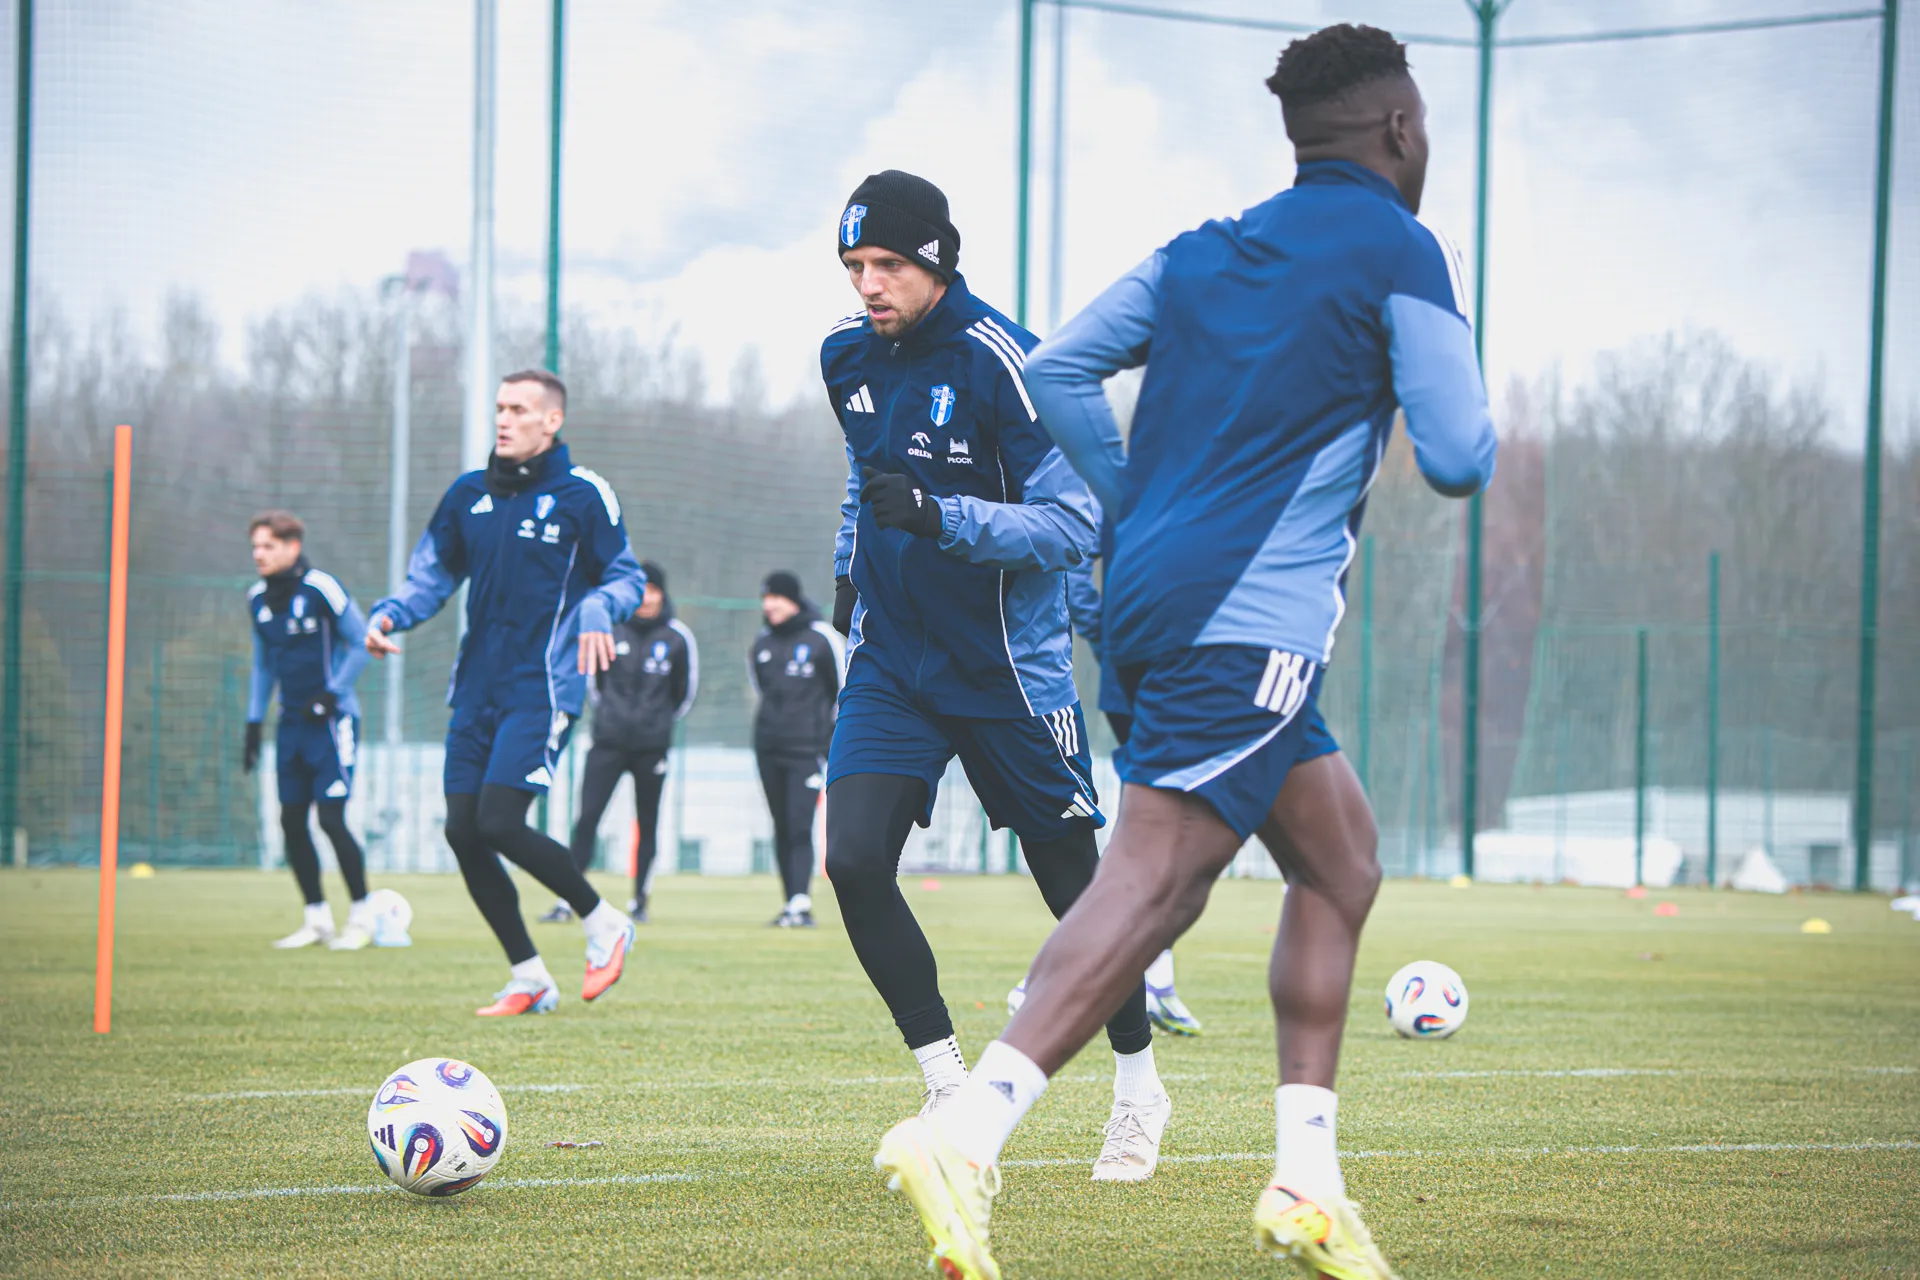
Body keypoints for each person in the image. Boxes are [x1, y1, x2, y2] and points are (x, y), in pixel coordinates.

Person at [873, 26, 1498, 1280]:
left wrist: (1133, 498)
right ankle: (965, 1131)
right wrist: (1441, 335)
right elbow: (1457, 454)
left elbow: (1061, 368)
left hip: (1151, 597)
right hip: (1246, 619)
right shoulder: (1404, 248)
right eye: (1420, 126)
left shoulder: (1202, 249)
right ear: (1400, 130)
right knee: (1158, 877)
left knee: (1342, 861)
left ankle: (1306, 1181)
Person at [822, 170, 1167, 1182]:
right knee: (853, 859)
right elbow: (863, 473)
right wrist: (849, 567)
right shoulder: (845, 353)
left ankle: (1139, 1088)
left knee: (1076, 894)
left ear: (938, 262)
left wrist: (944, 518)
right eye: (854, 266)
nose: (869, 285)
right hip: (893, 661)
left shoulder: (1009, 365)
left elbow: (1075, 524)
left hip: (1007, 670)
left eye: (889, 264)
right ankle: (945, 1089)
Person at [366, 369, 647, 1017]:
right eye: (500, 407)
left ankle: (604, 922)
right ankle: (529, 976)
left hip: (543, 688)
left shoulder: (582, 494)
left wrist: (599, 607)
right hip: (476, 689)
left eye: (519, 409)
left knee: (498, 820)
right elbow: (430, 576)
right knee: (464, 831)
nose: (504, 419)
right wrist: (389, 614)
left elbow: (625, 578)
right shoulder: (468, 494)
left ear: (552, 421)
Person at [1005, 547, 1204, 1037]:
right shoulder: (1128, 495)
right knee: (1164, 829)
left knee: (1174, 831)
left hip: (1195, 671)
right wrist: (1113, 637)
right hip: (1164, 675)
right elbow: (1073, 546)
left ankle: (1150, 975)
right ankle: (1057, 974)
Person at [243, 510, 376, 950]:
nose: (259, 554)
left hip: (332, 723)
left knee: (331, 818)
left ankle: (361, 917)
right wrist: (254, 721)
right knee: (291, 820)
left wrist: (332, 693)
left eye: (268, 546)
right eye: (255, 546)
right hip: (291, 725)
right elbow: (264, 665)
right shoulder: (257, 599)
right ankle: (316, 919)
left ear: (293, 546)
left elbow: (361, 642)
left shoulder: (321, 588)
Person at [540, 560, 698, 925]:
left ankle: (640, 900)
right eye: (641, 590)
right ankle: (567, 900)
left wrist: (655, 724)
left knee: (647, 823)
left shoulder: (678, 637)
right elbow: (595, 684)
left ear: (662, 594)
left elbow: (684, 694)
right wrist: (612, 719)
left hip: (652, 748)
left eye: (653, 590)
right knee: (587, 819)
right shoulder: (610, 628)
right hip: (607, 743)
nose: (646, 598)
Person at [749, 571, 842, 927]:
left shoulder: (821, 638)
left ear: (792, 600)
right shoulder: (762, 643)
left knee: (800, 823)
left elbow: (842, 691)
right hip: (768, 748)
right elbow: (761, 689)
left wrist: (828, 742)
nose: (769, 605)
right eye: (765, 598)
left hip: (807, 751)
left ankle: (801, 903)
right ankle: (790, 902)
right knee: (781, 825)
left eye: (775, 597)